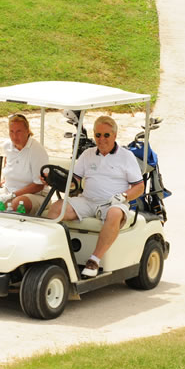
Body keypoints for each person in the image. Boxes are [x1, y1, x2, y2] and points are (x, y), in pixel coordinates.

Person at [46, 115, 144, 278]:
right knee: (56, 208)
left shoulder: (126, 157)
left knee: (114, 213)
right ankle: (54, 255)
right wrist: (54, 180)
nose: (102, 139)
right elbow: (75, 182)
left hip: (113, 202)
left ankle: (94, 260)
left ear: (114, 135)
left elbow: (139, 186)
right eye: (98, 135)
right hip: (87, 200)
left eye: (106, 135)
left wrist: (124, 197)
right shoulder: (87, 154)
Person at [0, 113, 49, 214]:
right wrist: (4, 180)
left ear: (27, 130)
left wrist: (13, 195)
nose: (14, 136)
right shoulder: (8, 145)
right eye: (11, 132)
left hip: (35, 195)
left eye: (18, 131)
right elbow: (8, 162)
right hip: (8, 191)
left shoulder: (37, 151)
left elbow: (39, 186)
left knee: (18, 204)